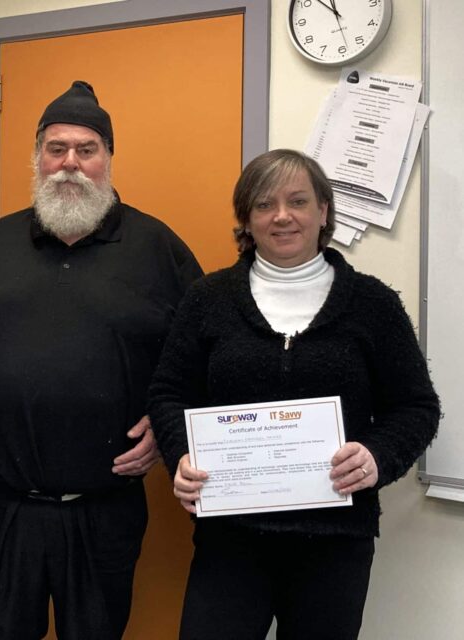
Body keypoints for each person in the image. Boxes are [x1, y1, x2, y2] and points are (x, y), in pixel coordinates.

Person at [0, 80, 203, 639]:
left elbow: (202, 356)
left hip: (106, 507)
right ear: (37, 158)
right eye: (56, 149)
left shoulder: (157, 249)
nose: (69, 163)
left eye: (86, 149)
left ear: (108, 159)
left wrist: (169, 426)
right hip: (5, 505)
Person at [148, 149, 440, 640]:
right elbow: (169, 392)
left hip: (334, 545)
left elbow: (416, 406)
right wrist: (181, 454)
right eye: (264, 205)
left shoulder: (373, 304)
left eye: (298, 201)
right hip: (230, 541)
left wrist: (377, 456)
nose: (281, 216)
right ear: (247, 218)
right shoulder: (207, 300)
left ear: (323, 211)